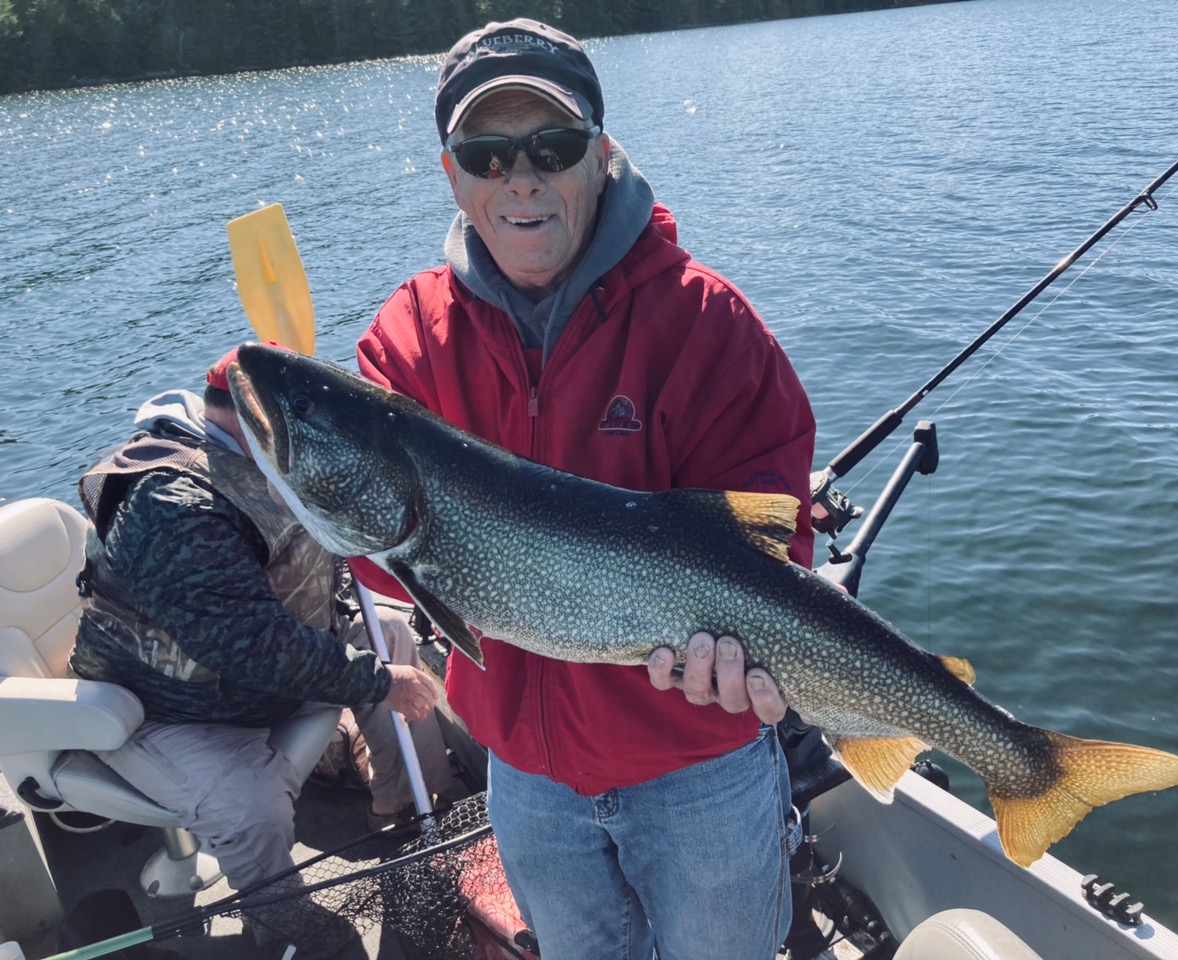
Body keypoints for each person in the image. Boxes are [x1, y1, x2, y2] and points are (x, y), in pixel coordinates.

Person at [349, 18, 816, 960]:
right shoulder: (408, 340)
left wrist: (745, 650)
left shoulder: (705, 324)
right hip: (525, 778)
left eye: (550, 148)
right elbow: (385, 555)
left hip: (700, 767)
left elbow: (778, 543)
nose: (519, 178)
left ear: (602, 158)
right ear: (453, 175)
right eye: (487, 153)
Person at [70, 346, 464, 937]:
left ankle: (406, 809)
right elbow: (249, 645)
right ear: (250, 417)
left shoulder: (275, 460)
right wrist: (378, 681)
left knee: (391, 636)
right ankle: (289, 927)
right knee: (248, 800)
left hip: (268, 674)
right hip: (173, 710)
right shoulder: (169, 503)